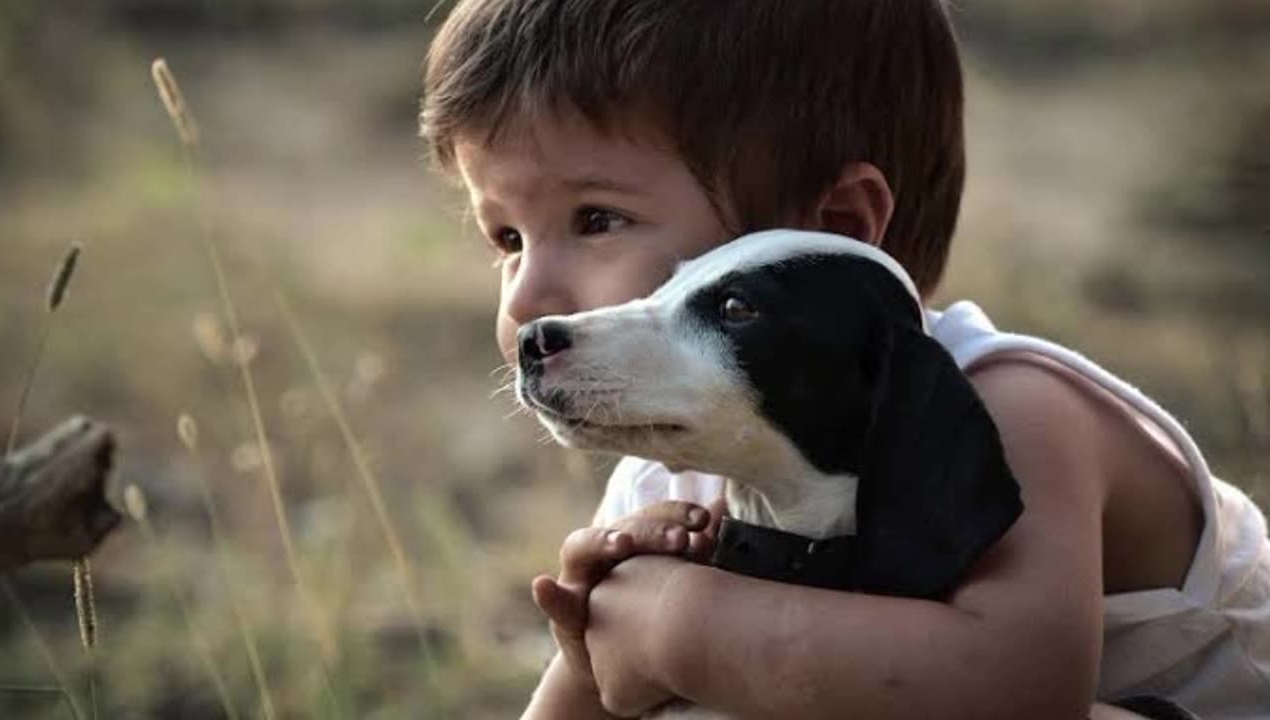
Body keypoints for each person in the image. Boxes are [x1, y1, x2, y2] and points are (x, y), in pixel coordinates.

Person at [419, 1, 1270, 717]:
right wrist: (596, 639)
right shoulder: (677, 466)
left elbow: (1021, 691)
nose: (528, 300)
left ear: (835, 229)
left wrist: (680, 625)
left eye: (597, 219)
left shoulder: (1014, 408)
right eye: (506, 238)